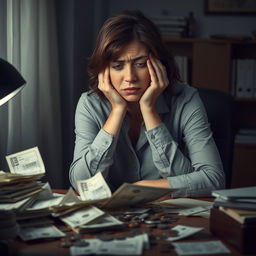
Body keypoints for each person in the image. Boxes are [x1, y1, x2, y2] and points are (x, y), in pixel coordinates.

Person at [69, 10, 225, 197]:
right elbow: (82, 183)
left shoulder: (186, 99)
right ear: (105, 70)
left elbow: (213, 180)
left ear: (160, 64)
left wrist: (149, 111)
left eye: (141, 64)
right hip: (112, 219)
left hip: (169, 216)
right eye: (118, 66)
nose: (130, 77)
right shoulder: (90, 104)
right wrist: (117, 111)